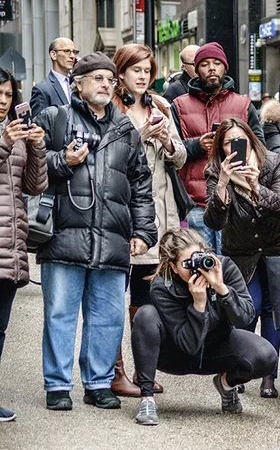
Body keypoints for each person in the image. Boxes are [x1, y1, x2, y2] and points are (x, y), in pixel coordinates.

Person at [34, 52, 157, 411]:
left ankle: (98, 383)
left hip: (112, 237)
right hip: (64, 235)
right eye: (97, 78)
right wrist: (62, 161)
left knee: (108, 316)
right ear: (79, 83)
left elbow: (141, 184)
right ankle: (58, 385)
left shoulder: (124, 129)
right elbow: (31, 169)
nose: (105, 85)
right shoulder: (55, 118)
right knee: (60, 313)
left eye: (109, 79)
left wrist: (144, 230)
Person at [130, 229, 278, 425]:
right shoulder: (163, 285)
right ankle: (147, 398)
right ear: (173, 267)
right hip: (176, 354)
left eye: (198, 259)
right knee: (145, 315)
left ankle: (225, 385)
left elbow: (246, 319)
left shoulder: (223, 267)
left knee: (266, 356)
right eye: (186, 264)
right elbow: (189, 346)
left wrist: (221, 289)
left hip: (217, 348)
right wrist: (199, 305)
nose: (195, 269)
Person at [112, 44, 187, 397]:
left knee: (146, 298)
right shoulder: (112, 109)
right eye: (136, 70)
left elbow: (182, 157)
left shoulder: (159, 106)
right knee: (112, 298)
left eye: (147, 71)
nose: (142, 77)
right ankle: (114, 372)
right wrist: (139, 138)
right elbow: (107, 159)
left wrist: (168, 143)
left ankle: (144, 371)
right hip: (122, 213)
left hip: (159, 216)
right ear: (121, 72)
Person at [204, 117, 280, 398]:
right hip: (242, 251)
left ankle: (268, 374)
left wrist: (257, 187)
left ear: (250, 139)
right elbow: (214, 222)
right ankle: (241, 365)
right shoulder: (215, 170)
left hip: (278, 247)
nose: (234, 148)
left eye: (239, 141)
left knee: (273, 311)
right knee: (247, 309)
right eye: (228, 143)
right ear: (221, 147)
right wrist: (222, 186)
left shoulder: (271, 162)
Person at [172, 42, 264, 254]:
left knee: (230, 266)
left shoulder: (243, 104)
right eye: (204, 64)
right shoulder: (179, 105)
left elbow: (260, 148)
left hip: (235, 198)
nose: (211, 68)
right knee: (200, 263)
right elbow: (170, 149)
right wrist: (196, 145)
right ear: (196, 69)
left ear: (225, 67)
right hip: (195, 200)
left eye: (216, 63)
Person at [0, 68, 48, 422]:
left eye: (7, 95)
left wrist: (36, 146)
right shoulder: (5, 137)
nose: (3, 101)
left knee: (0, 327)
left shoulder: (15, 133)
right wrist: (4, 142)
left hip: (10, 242)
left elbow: (34, 186)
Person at [30, 38, 78, 115]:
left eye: (74, 52)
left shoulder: (78, 82)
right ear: (53, 55)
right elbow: (39, 123)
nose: (72, 56)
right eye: (67, 51)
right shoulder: (42, 90)